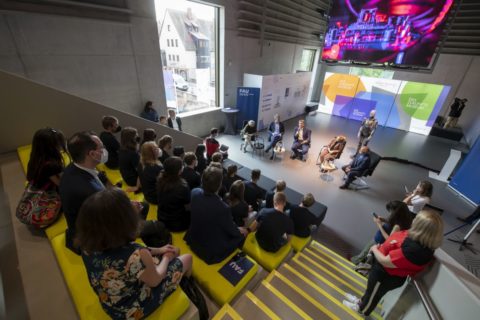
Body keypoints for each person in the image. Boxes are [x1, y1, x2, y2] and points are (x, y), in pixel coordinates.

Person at [76, 188, 192, 320]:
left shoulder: (87, 245)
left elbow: (130, 253)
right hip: (132, 309)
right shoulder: (136, 254)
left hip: (110, 303)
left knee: (169, 250)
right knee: (186, 257)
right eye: (128, 203)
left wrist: (160, 250)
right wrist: (166, 257)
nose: (133, 202)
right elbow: (155, 280)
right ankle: (185, 283)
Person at [343, 210, 443, 316]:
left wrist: (374, 249)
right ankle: (361, 301)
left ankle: (361, 309)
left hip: (385, 275)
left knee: (374, 295)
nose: (413, 221)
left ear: (421, 228)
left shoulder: (414, 250)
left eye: (416, 220)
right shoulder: (418, 240)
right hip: (384, 272)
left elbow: (385, 262)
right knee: (371, 291)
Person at [184, 166, 248, 264]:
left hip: (193, 238)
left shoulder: (194, 192)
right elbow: (232, 231)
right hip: (209, 252)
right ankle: (237, 262)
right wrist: (240, 231)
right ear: (219, 185)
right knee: (242, 235)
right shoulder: (223, 208)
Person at [59, 131, 109, 253]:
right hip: (91, 239)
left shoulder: (73, 167)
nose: (104, 150)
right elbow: (108, 220)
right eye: (101, 147)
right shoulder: (91, 192)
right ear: (92, 154)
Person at [351, 201, 413, 266]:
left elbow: (389, 240)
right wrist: (384, 220)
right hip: (379, 239)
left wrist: (379, 225)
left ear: (397, 212)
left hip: (380, 241)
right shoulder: (403, 220)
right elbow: (393, 224)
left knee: (365, 252)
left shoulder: (397, 226)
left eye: (391, 211)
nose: (390, 213)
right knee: (367, 252)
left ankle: (356, 261)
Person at [157, 157, 191, 232]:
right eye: (182, 166)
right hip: (178, 224)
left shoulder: (160, 179)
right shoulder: (183, 186)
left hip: (161, 218)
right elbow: (187, 203)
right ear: (179, 171)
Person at [27, 127, 66, 192]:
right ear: (52, 147)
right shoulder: (52, 165)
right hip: (46, 194)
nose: (61, 146)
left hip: (36, 185)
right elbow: (62, 185)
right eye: (60, 143)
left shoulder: (37, 157)